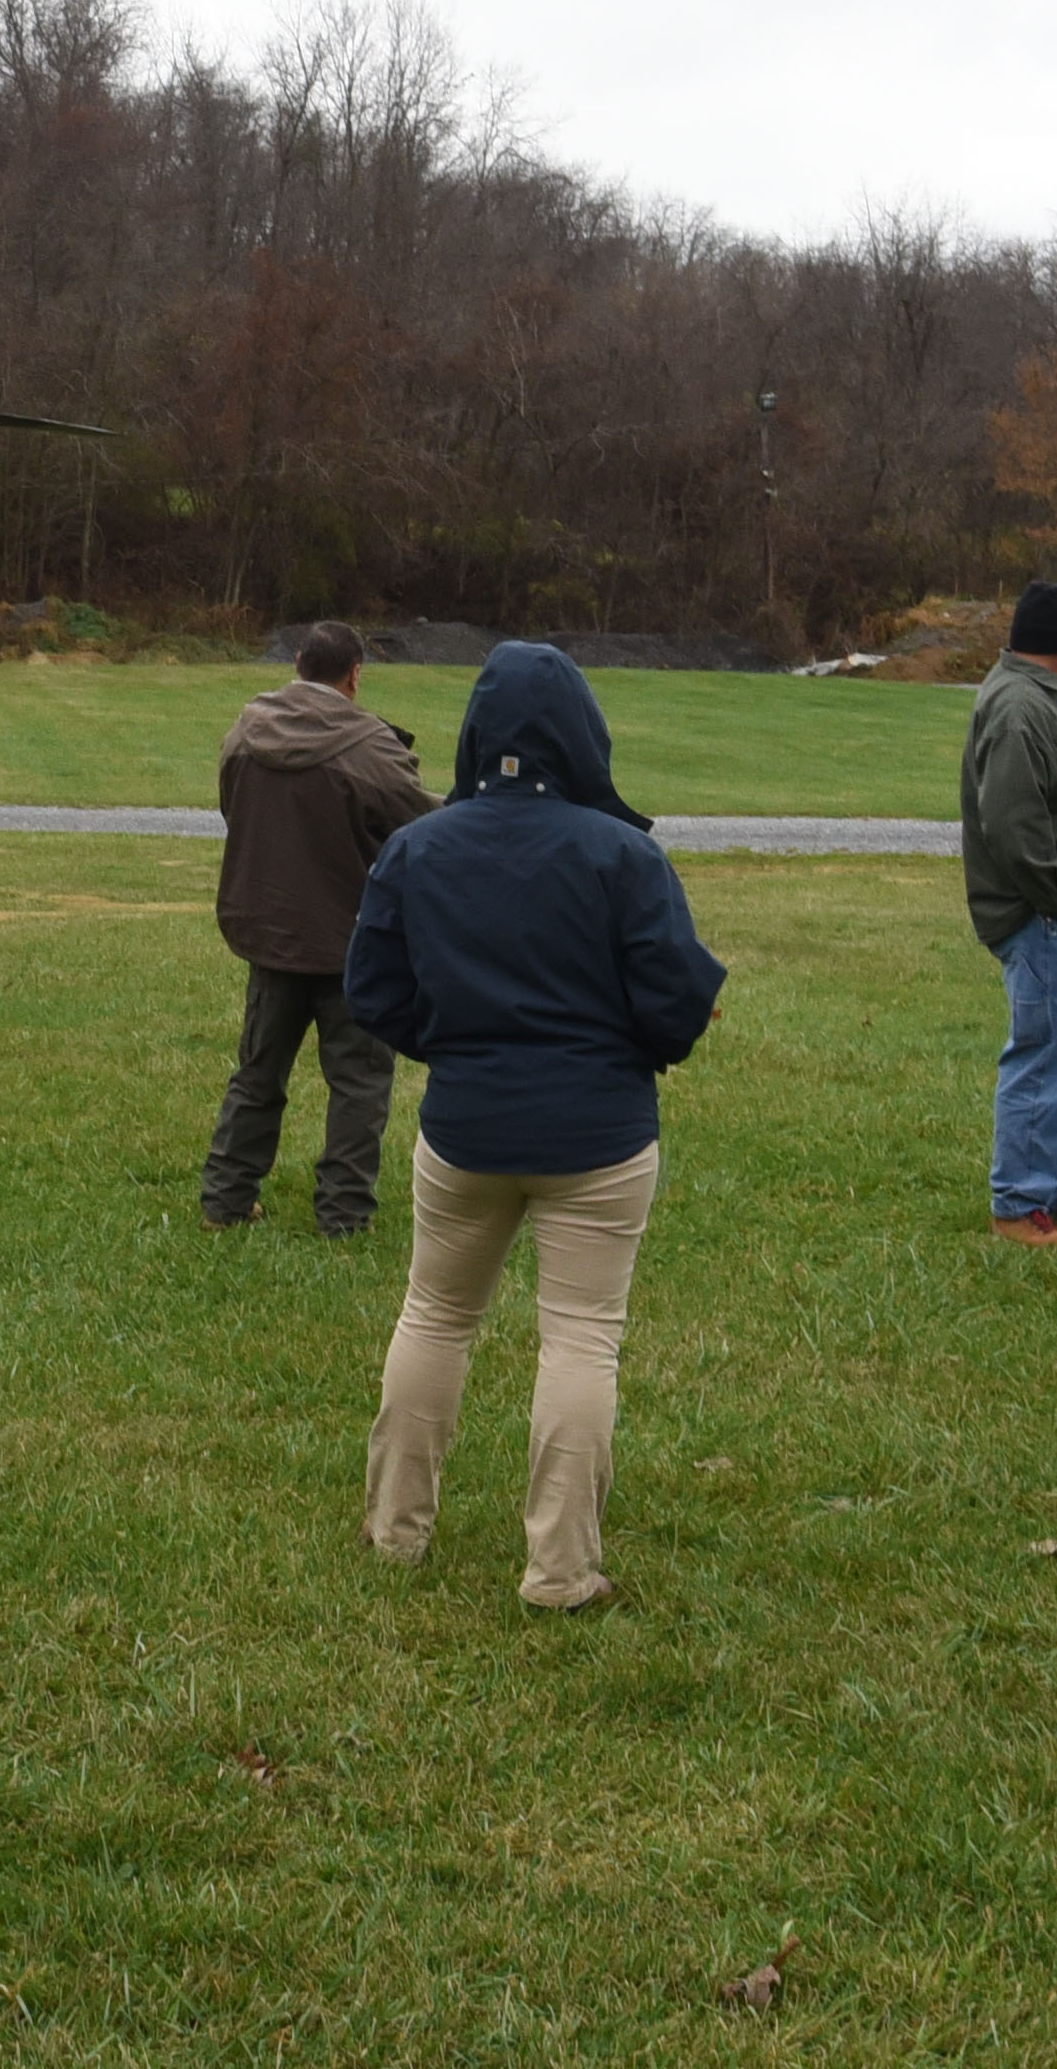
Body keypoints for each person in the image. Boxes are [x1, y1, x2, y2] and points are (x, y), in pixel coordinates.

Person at [346, 643, 727, 1611]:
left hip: (466, 1128)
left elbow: (374, 993)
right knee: (580, 1341)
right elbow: (676, 999)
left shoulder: (417, 847)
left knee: (434, 1317)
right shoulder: (621, 854)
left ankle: (394, 1530)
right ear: (581, 734)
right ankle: (559, 1572)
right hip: (596, 1134)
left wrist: (462, 1045)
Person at [202, 621, 433, 1239]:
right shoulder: (372, 746)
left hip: (269, 933)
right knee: (359, 1083)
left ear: (298, 661)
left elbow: (233, 808)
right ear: (354, 674)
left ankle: (226, 1199)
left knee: (258, 1071)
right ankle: (344, 1214)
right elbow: (420, 830)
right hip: (352, 941)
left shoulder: (246, 731)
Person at [961, 582, 1057, 1248]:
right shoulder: (1020, 707)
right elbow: (1013, 824)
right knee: (1048, 1056)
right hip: (1047, 915)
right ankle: (1019, 1206)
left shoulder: (1042, 695)